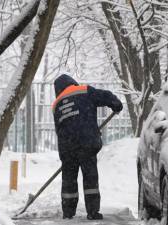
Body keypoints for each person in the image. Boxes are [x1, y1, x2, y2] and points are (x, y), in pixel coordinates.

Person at [52, 74, 123, 220]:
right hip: (86, 143)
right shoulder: (84, 91)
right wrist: (116, 104)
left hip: (67, 147)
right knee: (90, 177)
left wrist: (65, 152)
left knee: (69, 180)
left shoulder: (56, 104)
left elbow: (59, 130)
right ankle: (92, 212)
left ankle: (68, 212)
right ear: (72, 83)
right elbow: (105, 96)